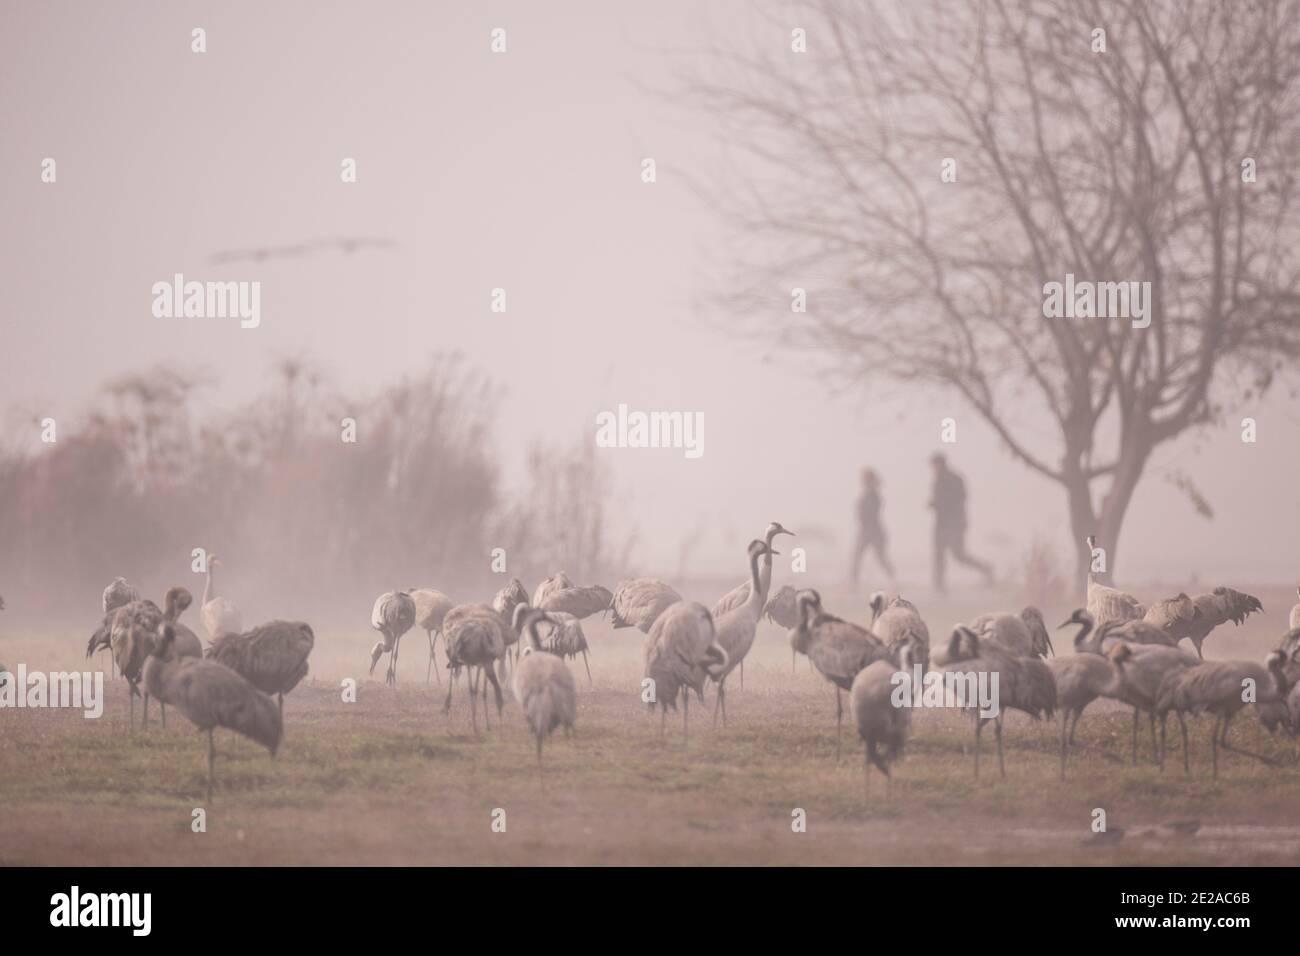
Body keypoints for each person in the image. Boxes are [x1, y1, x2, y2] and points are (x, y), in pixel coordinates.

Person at [929, 452, 994, 592]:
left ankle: (986, 569)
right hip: (948, 523)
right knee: (943, 554)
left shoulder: (948, 479)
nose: (932, 468)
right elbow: (960, 498)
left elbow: (955, 500)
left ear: (939, 464)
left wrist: (936, 504)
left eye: (933, 465)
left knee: (957, 555)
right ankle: (939, 585)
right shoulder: (949, 478)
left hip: (952, 523)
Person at [850, 468, 895, 585]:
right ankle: (854, 581)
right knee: (860, 556)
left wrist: (861, 511)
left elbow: (869, 512)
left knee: (875, 557)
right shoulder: (870, 493)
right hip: (869, 530)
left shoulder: (872, 494)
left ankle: (892, 578)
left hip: (871, 530)